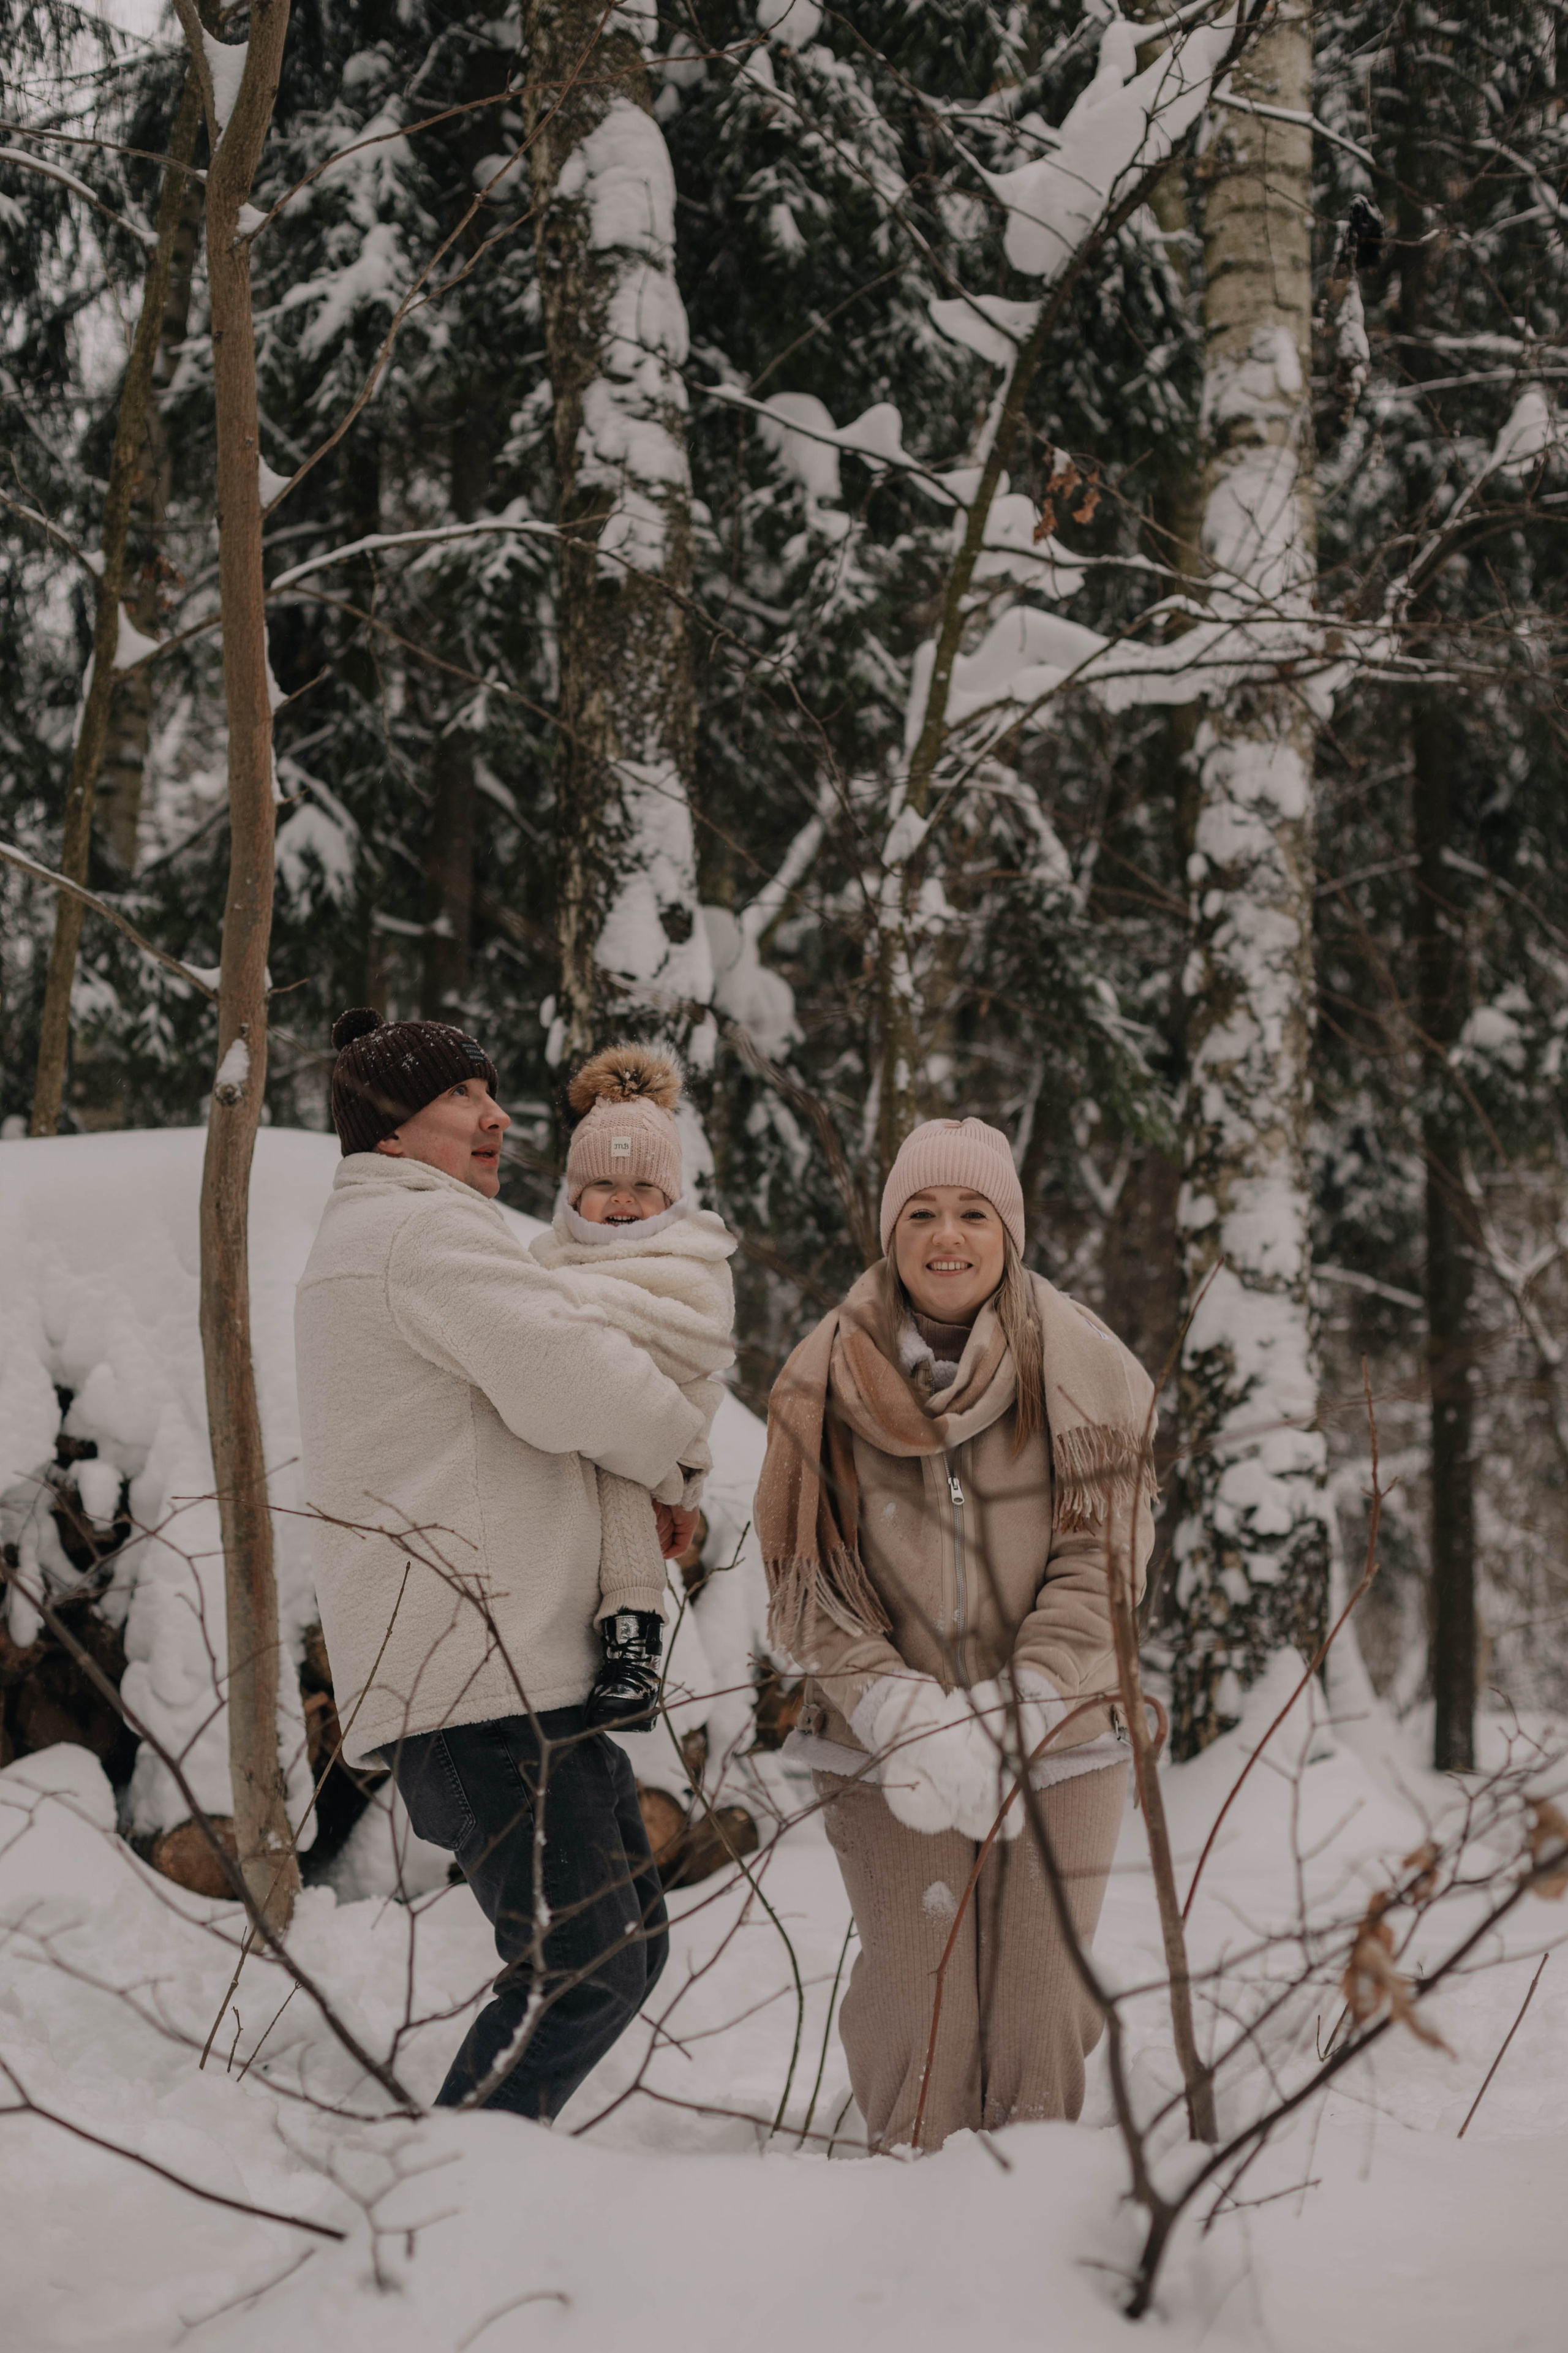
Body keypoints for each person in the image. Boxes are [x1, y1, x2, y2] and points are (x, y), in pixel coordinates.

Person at [294, 1008, 708, 2121]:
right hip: (485, 1685)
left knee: (621, 1948)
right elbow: (577, 1381)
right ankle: (453, 2193)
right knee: (586, 1968)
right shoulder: (420, 1235)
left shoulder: (399, 1230)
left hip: (513, 1673)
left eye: (491, 1093)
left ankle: (477, 2178)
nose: (497, 1117)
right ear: (389, 1129)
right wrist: (680, 1458)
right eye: (463, 1100)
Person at [756, 1115, 1156, 2153]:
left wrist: (1021, 1701)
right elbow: (808, 1579)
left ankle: (1033, 2243)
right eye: (923, 1212)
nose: (948, 1235)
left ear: (1008, 1231)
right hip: (882, 1740)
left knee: (1039, 2006)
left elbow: (1102, 1559)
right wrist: (899, 1704)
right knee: (914, 2007)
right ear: (892, 1232)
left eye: (974, 1212)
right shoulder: (821, 1377)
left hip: (1059, 1737)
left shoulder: (1087, 1367)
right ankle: (903, 2227)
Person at [527, 1041, 737, 1733]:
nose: (623, 1199)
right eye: (604, 1185)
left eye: (644, 1187)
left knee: (620, 1468)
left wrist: (685, 1485)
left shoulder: (692, 1261)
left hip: (643, 1454)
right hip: (554, 1446)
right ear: (573, 1195)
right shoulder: (543, 1262)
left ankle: (633, 1638)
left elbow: (697, 1365)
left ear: (671, 1200)